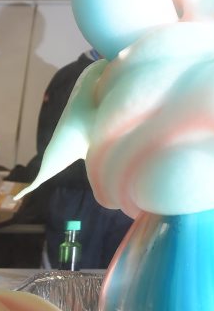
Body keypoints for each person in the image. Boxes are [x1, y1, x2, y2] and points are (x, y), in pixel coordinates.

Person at [22, 49, 133, 269]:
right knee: (69, 278)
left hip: (121, 197)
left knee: (119, 280)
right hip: (77, 195)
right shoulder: (72, 76)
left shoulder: (131, 69)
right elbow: (49, 139)